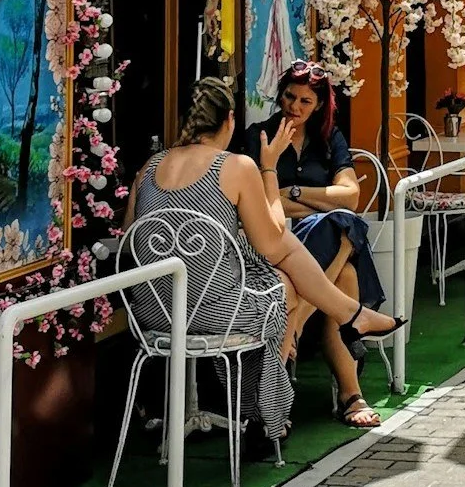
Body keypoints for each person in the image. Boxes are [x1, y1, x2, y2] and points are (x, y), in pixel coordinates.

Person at [126, 76, 400, 450]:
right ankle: (265, 413)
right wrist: (269, 168)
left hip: (152, 315)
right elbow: (273, 243)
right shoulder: (236, 166)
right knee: (283, 279)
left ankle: (347, 320)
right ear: (230, 122)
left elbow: (129, 239)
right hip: (212, 315)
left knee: (284, 277)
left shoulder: (149, 167)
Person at [246, 62, 387, 430]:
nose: (294, 106)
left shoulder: (328, 141)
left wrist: (290, 192)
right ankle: (350, 394)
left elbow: (351, 197)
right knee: (342, 259)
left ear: (320, 104)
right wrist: (319, 200)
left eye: (305, 101)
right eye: (290, 96)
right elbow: (258, 204)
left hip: (310, 251)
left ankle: (295, 327)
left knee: (335, 226)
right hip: (271, 248)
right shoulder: (258, 137)